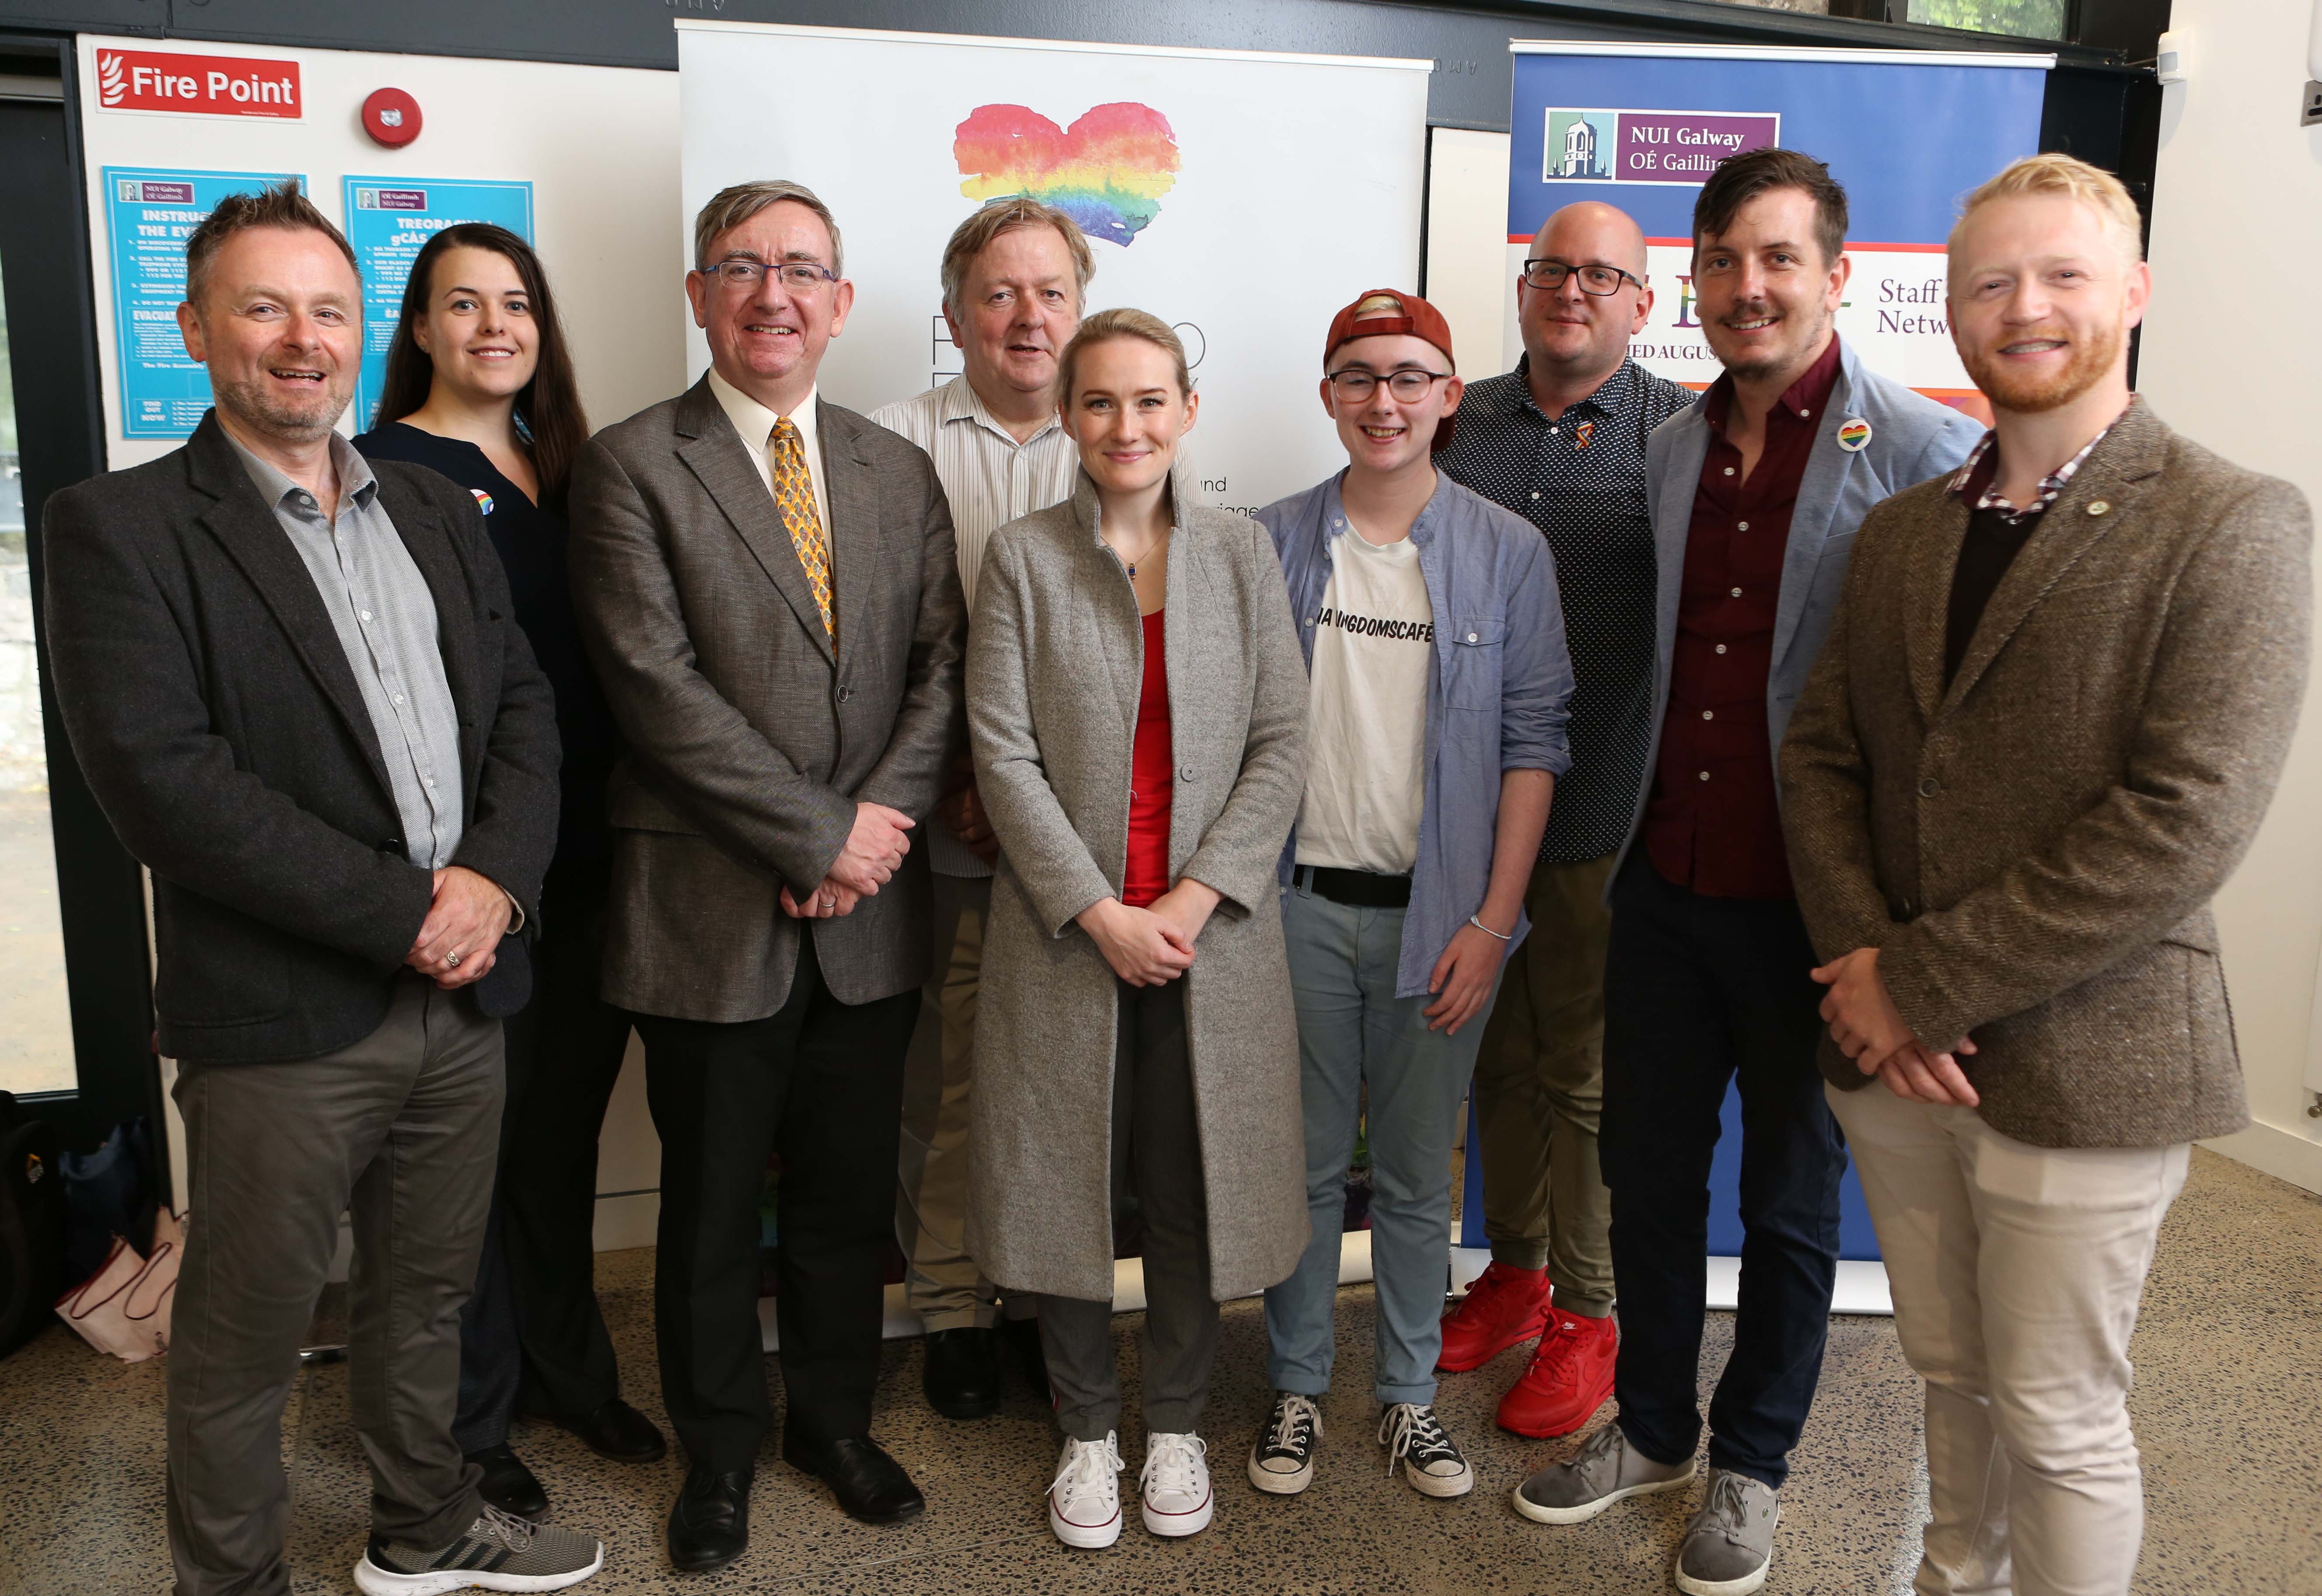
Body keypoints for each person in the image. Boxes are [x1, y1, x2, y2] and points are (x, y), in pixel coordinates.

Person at [41, 180, 601, 1594]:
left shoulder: (429, 504)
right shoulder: (122, 527)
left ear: (364, 334)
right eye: (266, 307)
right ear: (197, 327)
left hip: (469, 992)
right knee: (246, 1337)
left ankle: (425, 1527)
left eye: (330, 311)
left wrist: (489, 887)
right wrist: (407, 910)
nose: (305, 339)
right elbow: (166, 785)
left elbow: (526, 712)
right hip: (287, 1013)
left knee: (426, 1302)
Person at [1781, 153, 2311, 1596]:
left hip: (2092, 1058)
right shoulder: (1904, 530)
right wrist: (1868, 972)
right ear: (1947, 311)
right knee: (1949, 1374)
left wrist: (1921, 979)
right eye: (1989, 283)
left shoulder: (2234, 520)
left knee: (2062, 1410)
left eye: (2063, 276)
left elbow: (2186, 816)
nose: (2025, 309)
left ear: (2133, 294)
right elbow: (1822, 755)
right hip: (1894, 1059)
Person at [1512, 148, 1981, 1596]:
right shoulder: (1665, 448)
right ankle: (1651, 1429)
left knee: (1786, 1205)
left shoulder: (1910, 448)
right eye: (1722, 260)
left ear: (1837, 276)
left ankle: (1752, 1463)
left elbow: (1947, 707)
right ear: (1694, 283)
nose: (1749, 286)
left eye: (1779, 259)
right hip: (1667, 875)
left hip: (1813, 910)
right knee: (1648, 1181)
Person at [567, 180, 965, 1571]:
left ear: (844, 303)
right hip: (708, 909)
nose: (774, 294)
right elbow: (651, 686)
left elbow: (940, 670)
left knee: (851, 1198)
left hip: (871, 915)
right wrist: (814, 835)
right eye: (742, 267)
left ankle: (834, 1424)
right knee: (712, 1205)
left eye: (804, 269)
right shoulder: (630, 465)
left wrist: (866, 837)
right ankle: (721, 1450)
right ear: (699, 296)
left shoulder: (890, 467)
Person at [964, 309, 1309, 1551]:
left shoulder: (1240, 555)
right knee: (1061, 1188)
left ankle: (1173, 1425)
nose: (1127, 426)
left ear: (1188, 412)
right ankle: (1087, 1434)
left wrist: (1193, 898)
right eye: (1100, 402)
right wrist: (1102, 910)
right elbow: (1000, 752)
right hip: (1069, 933)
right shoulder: (1021, 558)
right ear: (1067, 415)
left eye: (1151, 400)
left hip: (1207, 942)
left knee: (1190, 1192)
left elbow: (1282, 743)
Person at [355, 222, 667, 1520]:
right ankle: (469, 1425)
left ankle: (565, 1369)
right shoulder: (380, 470)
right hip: (476, 879)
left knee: (554, 1144)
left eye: (517, 304)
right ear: (418, 328)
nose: (494, 326)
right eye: (461, 304)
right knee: (465, 1165)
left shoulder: (573, 468)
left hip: (595, 865)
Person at [1249, 290, 1572, 1503]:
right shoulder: (1270, 541)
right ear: (1328, 394)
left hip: (1443, 921)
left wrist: (1492, 922)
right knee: (1304, 1161)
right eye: (1358, 375)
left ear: (1449, 396)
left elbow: (1536, 743)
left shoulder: (1507, 551)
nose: (1384, 400)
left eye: (1411, 376)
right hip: (1295, 909)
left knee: (1421, 1179)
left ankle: (1403, 1399)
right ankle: (1292, 1386)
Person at [1436, 202, 1695, 1440]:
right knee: (1488, 1050)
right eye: (1552, 270)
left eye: (1604, 275)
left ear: (1647, 302)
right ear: (1526, 286)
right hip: (1466, 812)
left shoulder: (1679, 435)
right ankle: (1516, 1271)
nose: (1573, 290)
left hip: (1599, 813)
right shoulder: (1459, 419)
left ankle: (1590, 1313)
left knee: (1585, 1075)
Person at [867, 196, 1092, 1419]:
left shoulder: (1115, 435)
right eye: (999, 293)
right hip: (945, 831)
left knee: (1062, 1083)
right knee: (947, 1081)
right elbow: (880, 650)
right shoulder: (886, 444)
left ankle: (1042, 1295)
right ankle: (953, 1304)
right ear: (953, 314)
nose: (1027, 315)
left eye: (1050, 290)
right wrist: (959, 780)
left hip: (1088, 843)